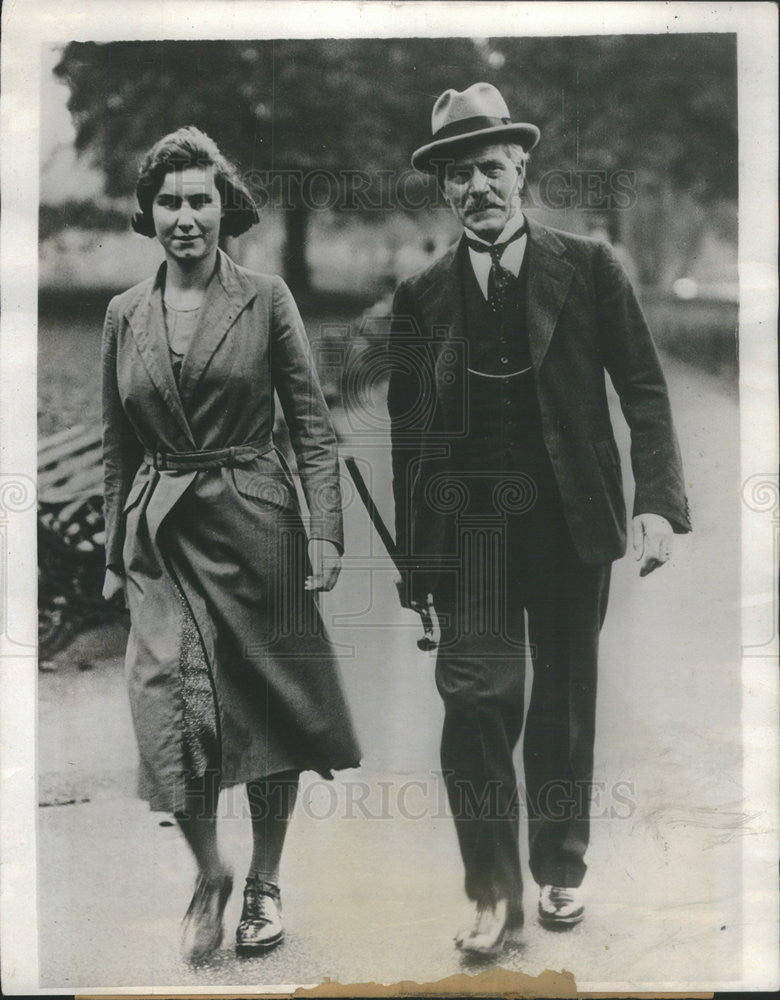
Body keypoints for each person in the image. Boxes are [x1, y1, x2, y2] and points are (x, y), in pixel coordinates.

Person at [387, 84, 690, 956]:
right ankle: (489, 893)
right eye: (458, 174)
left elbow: (642, 388)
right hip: (470, 539)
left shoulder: (588, 267)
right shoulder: (422, 297)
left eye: (490, 167)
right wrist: (418, 567)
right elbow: (411, 438)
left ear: (521, 168)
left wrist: (658, 506)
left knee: (559, 708)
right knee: (477, 706)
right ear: (443, 189)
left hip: (570, 527)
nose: (476, 187)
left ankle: (559, 865)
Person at [101, 126, 360, 962]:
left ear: (224, 208)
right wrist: (115, 554)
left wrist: (323, 532)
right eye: (169, 201)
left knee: (271, 704)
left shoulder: (267, 298)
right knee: (164, 703)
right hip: (163, 537)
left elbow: (313, 430)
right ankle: (210, 870)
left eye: (200, 200)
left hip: (256, 523)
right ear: (149, 211)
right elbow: (117, 448)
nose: (185, 217)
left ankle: (265, 884)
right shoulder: (121, 315)